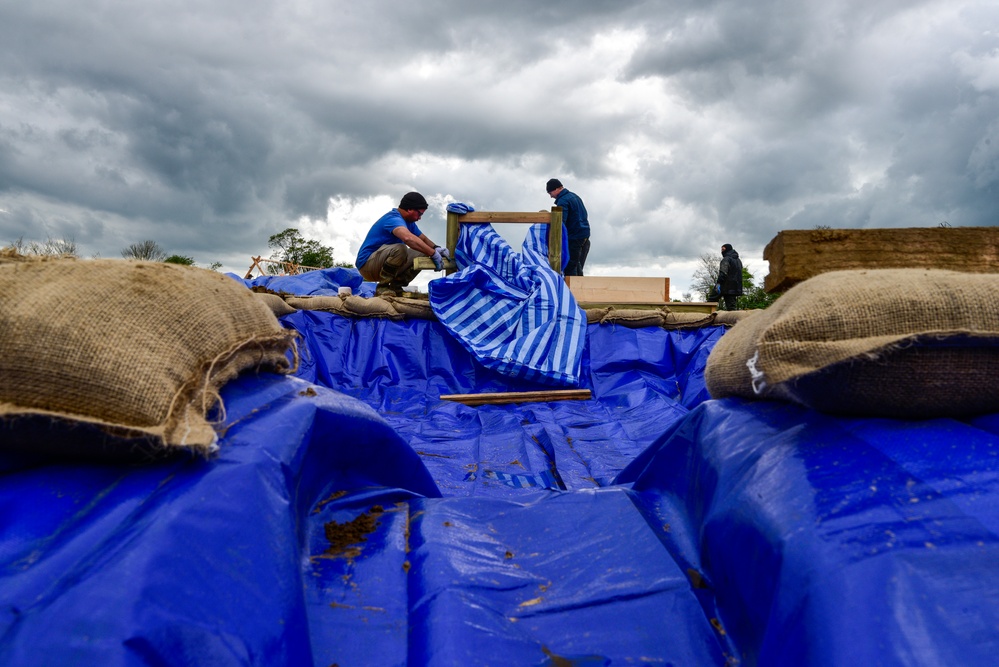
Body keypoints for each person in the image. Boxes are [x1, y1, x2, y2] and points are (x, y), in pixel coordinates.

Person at [355, 192, 449, 296]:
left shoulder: (409, 223)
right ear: (409, 209)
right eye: (419, 214)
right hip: (367, 265)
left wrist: (436, 248)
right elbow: (408, 238)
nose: (420, 218)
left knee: (422, 251)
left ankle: (396, 287)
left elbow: (423, 239)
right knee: (400, 248)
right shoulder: (393, 219)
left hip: (382, 264)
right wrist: (433, 254)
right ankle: (383, 288)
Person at [546, 178, 590, 276]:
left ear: (557, 189)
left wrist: (554, 240)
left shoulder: (563, 201)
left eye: (550, 193)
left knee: (570, 267)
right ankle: (580, 288)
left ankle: (571, 289)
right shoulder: (575, 196)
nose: (551, 196)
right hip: (584, 236)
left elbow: (561, 223)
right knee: (577, 265)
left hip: (574, 237)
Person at [716, 243, 743, 310]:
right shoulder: (738, 261)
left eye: (723, 249)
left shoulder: (726, 259)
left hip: (726, 285)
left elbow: (723, 272)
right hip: (736, 286)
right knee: (732, 306)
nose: (721, 251)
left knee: (711, 300)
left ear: (727, 249)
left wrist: (718, 283)